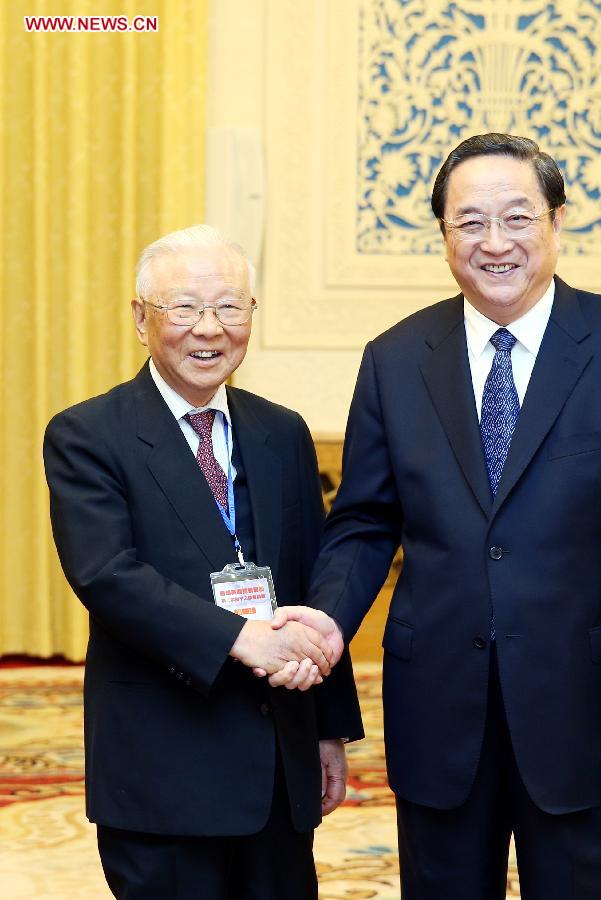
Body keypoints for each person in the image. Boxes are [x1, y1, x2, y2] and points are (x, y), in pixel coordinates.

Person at [274, 133, 601, 898]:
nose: (494, 243)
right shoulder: (395, 358)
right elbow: (365, 521)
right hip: (437, 700)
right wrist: (328, 622)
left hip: (587, 709)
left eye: (516, 218)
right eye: (469, 223)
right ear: (442, 237)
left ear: (557, 221)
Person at [43, 225, 363, 900]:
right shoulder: (87, 435)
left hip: (278, 764)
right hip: (164, 766)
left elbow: (309, 576)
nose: (209, 329)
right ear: (140, 319)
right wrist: (243, 639)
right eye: (183, 308)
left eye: (230, 308)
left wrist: (329, 731)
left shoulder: (282, 431)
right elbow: (107, 574)